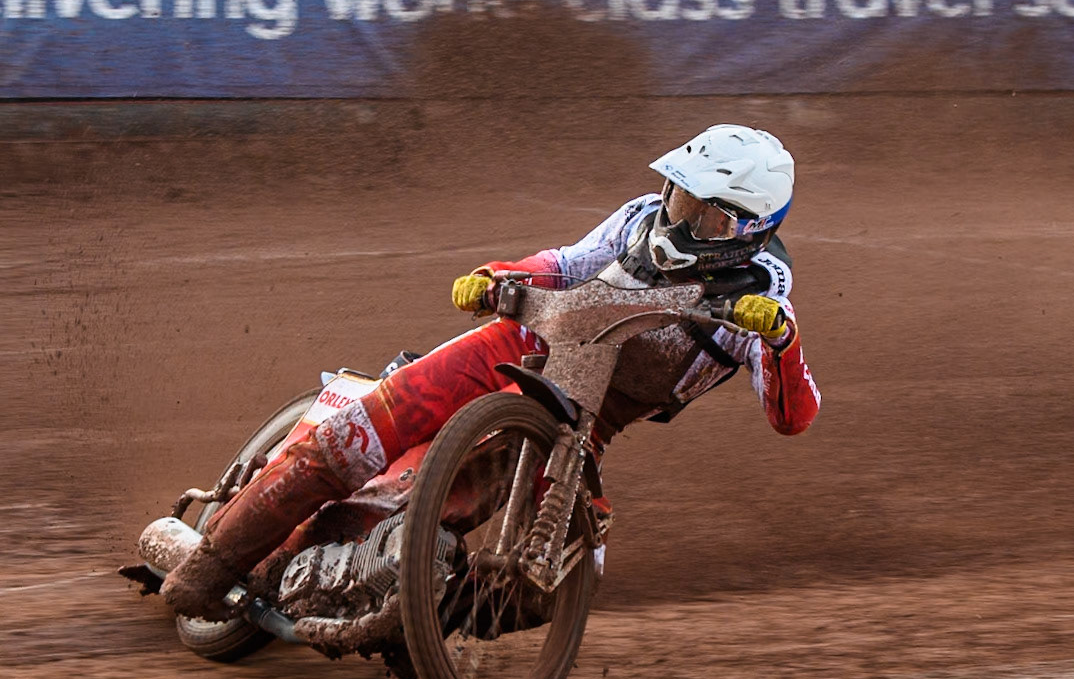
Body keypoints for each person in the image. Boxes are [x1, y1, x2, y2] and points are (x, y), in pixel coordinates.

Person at [161, 125, 823, 621]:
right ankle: (210, 565)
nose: (674, 212)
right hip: (517, 342)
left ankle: (418, 624)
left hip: (581, 422)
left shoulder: (764, 301)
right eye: (676, 193)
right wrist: (503, 274)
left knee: (563, 577)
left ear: (741, 225)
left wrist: (783, 341)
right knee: (364, 427)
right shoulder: (634, 221)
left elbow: (794, 416)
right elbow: (565, 264)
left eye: (697, 208)